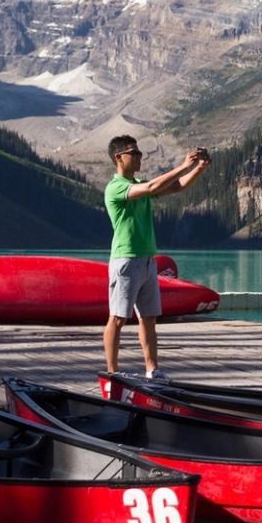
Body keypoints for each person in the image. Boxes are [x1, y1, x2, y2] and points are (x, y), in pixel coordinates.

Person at [103, 135, 209, 378]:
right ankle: (112, 373)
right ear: (119, 157)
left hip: (147, 259)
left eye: (140, 153)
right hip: (126, 260)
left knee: (149, 318)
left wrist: (199, 168)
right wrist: (184, 165)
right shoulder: (116, 187)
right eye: (134, 153)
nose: (140, 157)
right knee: (118, 318)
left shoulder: (137, 183)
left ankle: (152, 369)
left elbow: (178, 186)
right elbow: (152, 187)